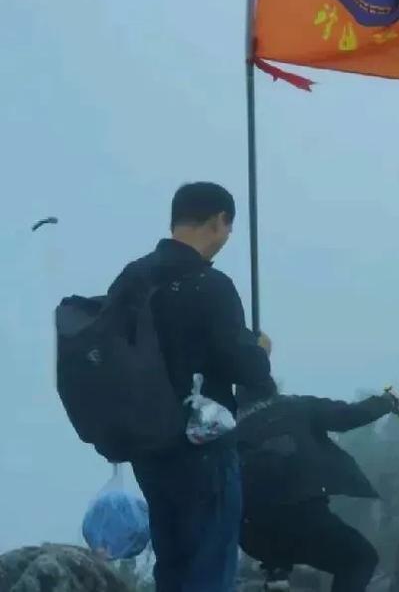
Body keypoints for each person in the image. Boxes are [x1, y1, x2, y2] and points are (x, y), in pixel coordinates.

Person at [107, 182, 274, 592]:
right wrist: (260, 350)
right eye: (228, 228)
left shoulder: (129, 281)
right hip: (204, 452)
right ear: (219, 221)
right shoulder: (210, 285)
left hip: (149, 449)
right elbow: (250, 372)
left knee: (174, 564)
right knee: (209, 565)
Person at [234, 385, 399, 591]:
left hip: (251, 533)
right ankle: (278, 571)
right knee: (359, 558)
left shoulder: (231, 426)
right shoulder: (297, 406)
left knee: (282, 551)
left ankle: (277, 572)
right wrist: (386, 401)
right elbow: (348, 415)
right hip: (302, 515)